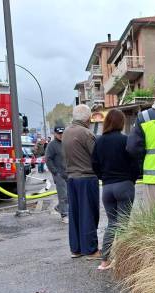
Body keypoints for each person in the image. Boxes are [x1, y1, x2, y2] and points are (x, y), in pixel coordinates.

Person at [91, 109, 138, 271]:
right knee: (124, 224)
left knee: (112, 224)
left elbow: (94, 164)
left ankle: (105, 261)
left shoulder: (99, 141)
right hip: (124, 185)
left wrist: (103, 177)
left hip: (107, 188)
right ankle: (124, 262)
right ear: (121, 122)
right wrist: (132, 178)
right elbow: (135, 163)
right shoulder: (126, 140)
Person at [63, 104, 101, 260]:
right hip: (86, 178)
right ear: (87, 118)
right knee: (89, 214)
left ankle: (76, 248)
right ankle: (91, 250)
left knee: (75, 214)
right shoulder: (86, 133)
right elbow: (96, 156)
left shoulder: (66, 132)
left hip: (71, 178)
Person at [45, 126, 68, 223]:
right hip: (59, 174)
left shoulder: (67, 143)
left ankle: (59, 208)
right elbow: (48, 159)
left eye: (62, 133)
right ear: (55, 134)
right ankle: (64, 215)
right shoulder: (52, 145)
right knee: (63, 195)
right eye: (59, 134)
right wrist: (55, 172)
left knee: (70, 195)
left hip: (69, 173)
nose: (61, 135)